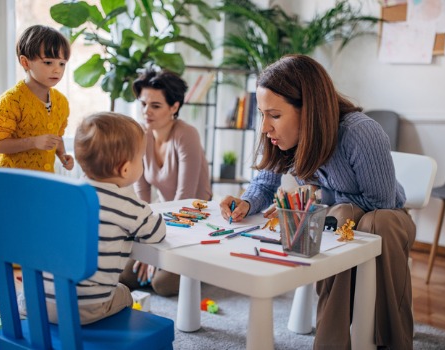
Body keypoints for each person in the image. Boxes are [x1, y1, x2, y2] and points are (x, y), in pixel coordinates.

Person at [219, 54, 415, 349]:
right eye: (262, 114)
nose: (264, 127)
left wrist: (317, 201)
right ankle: (332, 343)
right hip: (338, 223)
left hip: (387, 220)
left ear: (308, 109)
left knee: (363, 217)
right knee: (337, 214)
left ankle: (392, 341)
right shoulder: (284, 140)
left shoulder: (360, 132)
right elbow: (264, 183)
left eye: (274, 115)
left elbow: (382, 202)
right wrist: (246, 203)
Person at [19, 112, 167, 325]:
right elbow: (157, 232)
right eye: (141, 158)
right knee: (124, 292)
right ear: (125, 169)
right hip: (81, 310)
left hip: (33, 301)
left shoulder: (64, 194)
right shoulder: (127, 204)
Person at [119, 68, 212, 297]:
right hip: (163, 221)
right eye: (143, 104)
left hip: (193, 221)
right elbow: (142, 200)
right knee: (126, 276)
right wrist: (147, 247)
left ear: (174, 107)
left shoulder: (186, 134)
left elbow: (184, 200)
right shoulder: (142, 134)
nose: (146, 112)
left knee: (161, 284)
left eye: (156, 106)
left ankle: (207, 269)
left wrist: (154, 250)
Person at [0, 24, 74, 172]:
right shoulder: (12, 100)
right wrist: (32, 142)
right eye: (48, 62)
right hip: (10, 182)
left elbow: (57, 137)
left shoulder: (61, 102)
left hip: (43, 181)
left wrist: (63, 155)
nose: (57, 70)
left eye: (62, 63)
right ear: (25, 62)